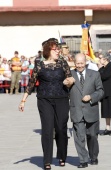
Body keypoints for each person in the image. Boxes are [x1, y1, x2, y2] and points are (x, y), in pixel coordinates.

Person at [18, 39, 75, 170]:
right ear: (48, 50)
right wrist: (23, 100)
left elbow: (70, 77)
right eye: (55, 49)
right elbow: (31, 84)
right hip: (44, 100)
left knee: (61, 128)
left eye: (58, 49)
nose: (58, 51)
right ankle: (47, 160)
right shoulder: (39, 65)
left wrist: (69, 81)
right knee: (47, 129)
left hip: (62, 98)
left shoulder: (63, 63)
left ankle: (61, 155)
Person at [65, 53, 104, 168]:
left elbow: (101, 91)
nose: (80, 66)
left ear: (86, 62)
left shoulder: (95, 74)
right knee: (79, 137)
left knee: (92, 135)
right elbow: (64, 90)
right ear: (74, 63)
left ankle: (93, 156)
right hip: (76, 110)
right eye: (77, 63)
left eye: (82, 63)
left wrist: (91, 97)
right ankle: (83, 160)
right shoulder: (69, 75)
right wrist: (67, 84)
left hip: (91, 109)